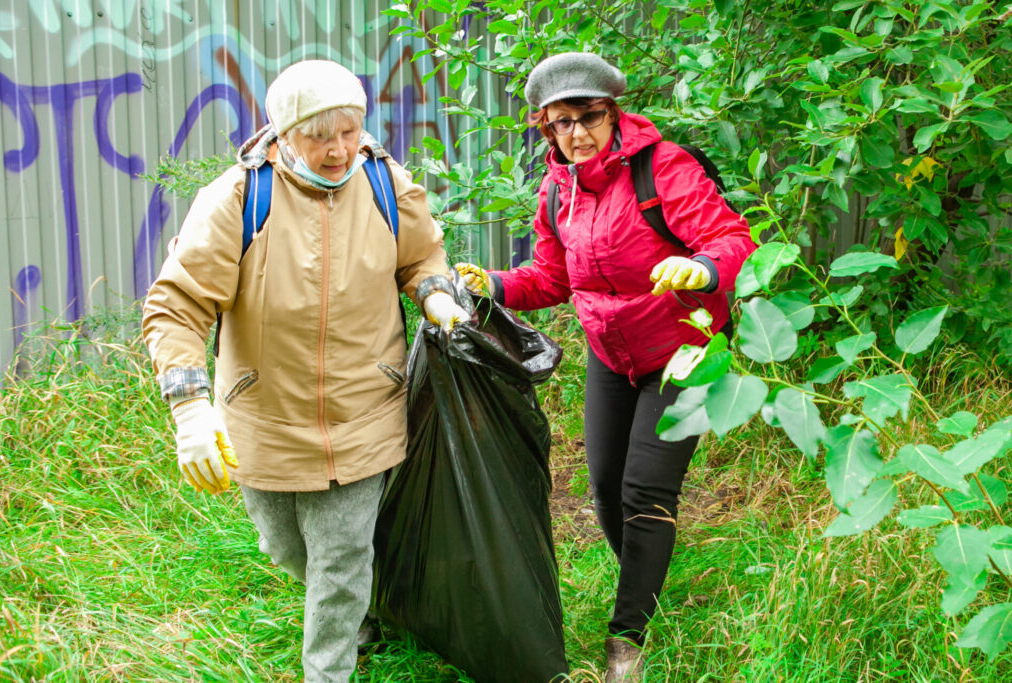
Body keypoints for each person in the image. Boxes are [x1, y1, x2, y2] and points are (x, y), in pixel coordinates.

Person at [142, 59, 468, 682]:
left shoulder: (383, 182)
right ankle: (360, 613)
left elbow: (422, 254)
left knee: (341, 559)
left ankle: (330, 665)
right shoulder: (239, 198)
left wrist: (436, 294)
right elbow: (177, 304)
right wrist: (189, 407)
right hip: (263, 413)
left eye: (350, 131)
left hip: (364, 407)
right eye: (320, 135)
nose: (339, 149)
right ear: (282, 132)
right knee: (287, 548)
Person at [457, 52, 756, 682]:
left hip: (684, 349)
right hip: (610, 352)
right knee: (604, 486)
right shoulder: (557, 189)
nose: (576, 133)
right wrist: (493, 284)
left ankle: (628, 638)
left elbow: (732, 239)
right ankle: (645, 579)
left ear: (611, 112)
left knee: (646, 489)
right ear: (547, 129)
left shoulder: (662, 168)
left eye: (588, 116)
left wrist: (701, 268)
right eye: (560, 123)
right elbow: (552, 278)